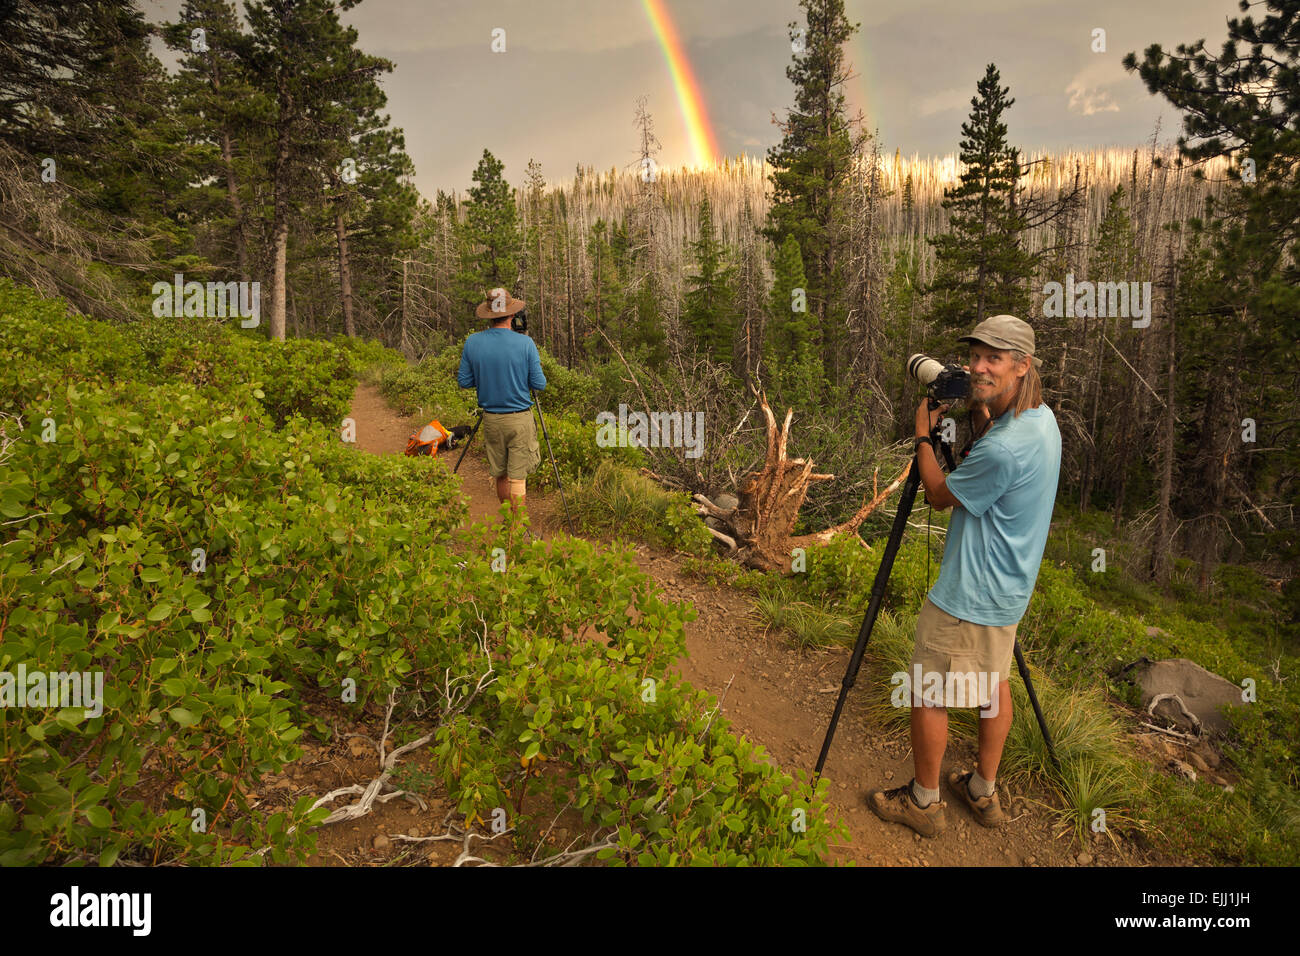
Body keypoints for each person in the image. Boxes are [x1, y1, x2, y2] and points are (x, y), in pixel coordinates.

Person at [867, 314, 1061, 838]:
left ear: (1022, 366)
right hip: (1009, 591)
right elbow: (996, 444)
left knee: (928, 690)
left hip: (968, 595)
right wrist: (979, 405)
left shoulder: (1002, 448)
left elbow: (938, 492)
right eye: (974, 356)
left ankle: (925, 803)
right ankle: (982, 790)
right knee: (994, 686)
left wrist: (924, 434)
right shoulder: (1041, 421)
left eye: (992, 359)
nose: (978, 366)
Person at [456, 288, 547, 510]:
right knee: (518, 478)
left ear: (489, 314)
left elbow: (464, 381)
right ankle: (516, 534)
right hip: (519, 420)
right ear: (512, 315)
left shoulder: (472, 342)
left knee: (501, 474)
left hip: (492, 420)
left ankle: (509, 525)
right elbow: (539, 384)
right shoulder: (525, 344)